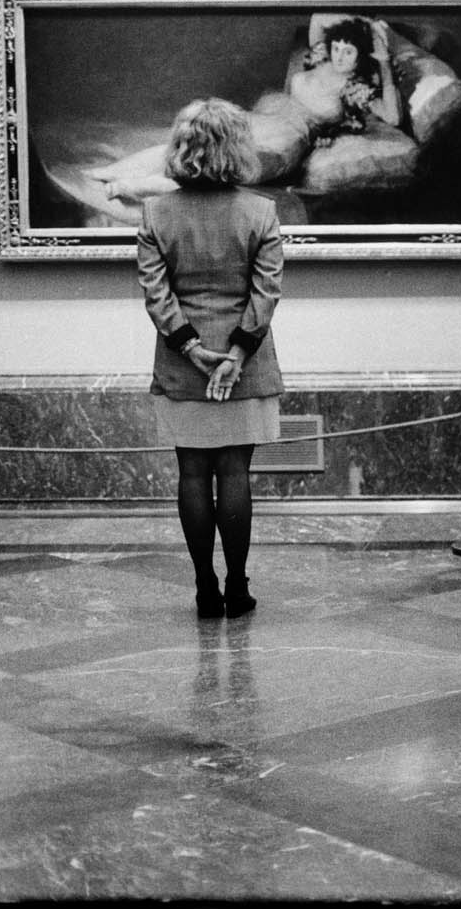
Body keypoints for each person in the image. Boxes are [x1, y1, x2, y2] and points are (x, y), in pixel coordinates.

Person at [136, 98, 285, 619]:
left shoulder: (156, 212)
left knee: (192, 474)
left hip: (182, 364)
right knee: (235, 473)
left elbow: (156, 295)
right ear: (236, 148)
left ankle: (205, 588)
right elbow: (266, 292)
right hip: (245, 363)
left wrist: (193, 349)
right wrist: (236, 354)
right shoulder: (260, 210)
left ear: (183, 147)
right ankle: (238, 588)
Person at [92, 15, 402, 201]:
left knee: (217, 175)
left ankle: (130, 187)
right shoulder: (318, 57)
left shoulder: (355, 87)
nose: (340, 56)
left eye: (350, 52)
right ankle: (106, 174)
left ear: (361, 58)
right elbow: (320, 16)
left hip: (288, 138)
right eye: (338, 47)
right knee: (192, 145)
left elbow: (392, 116)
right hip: (258, 119)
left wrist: (382, 56)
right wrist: (363, 22)